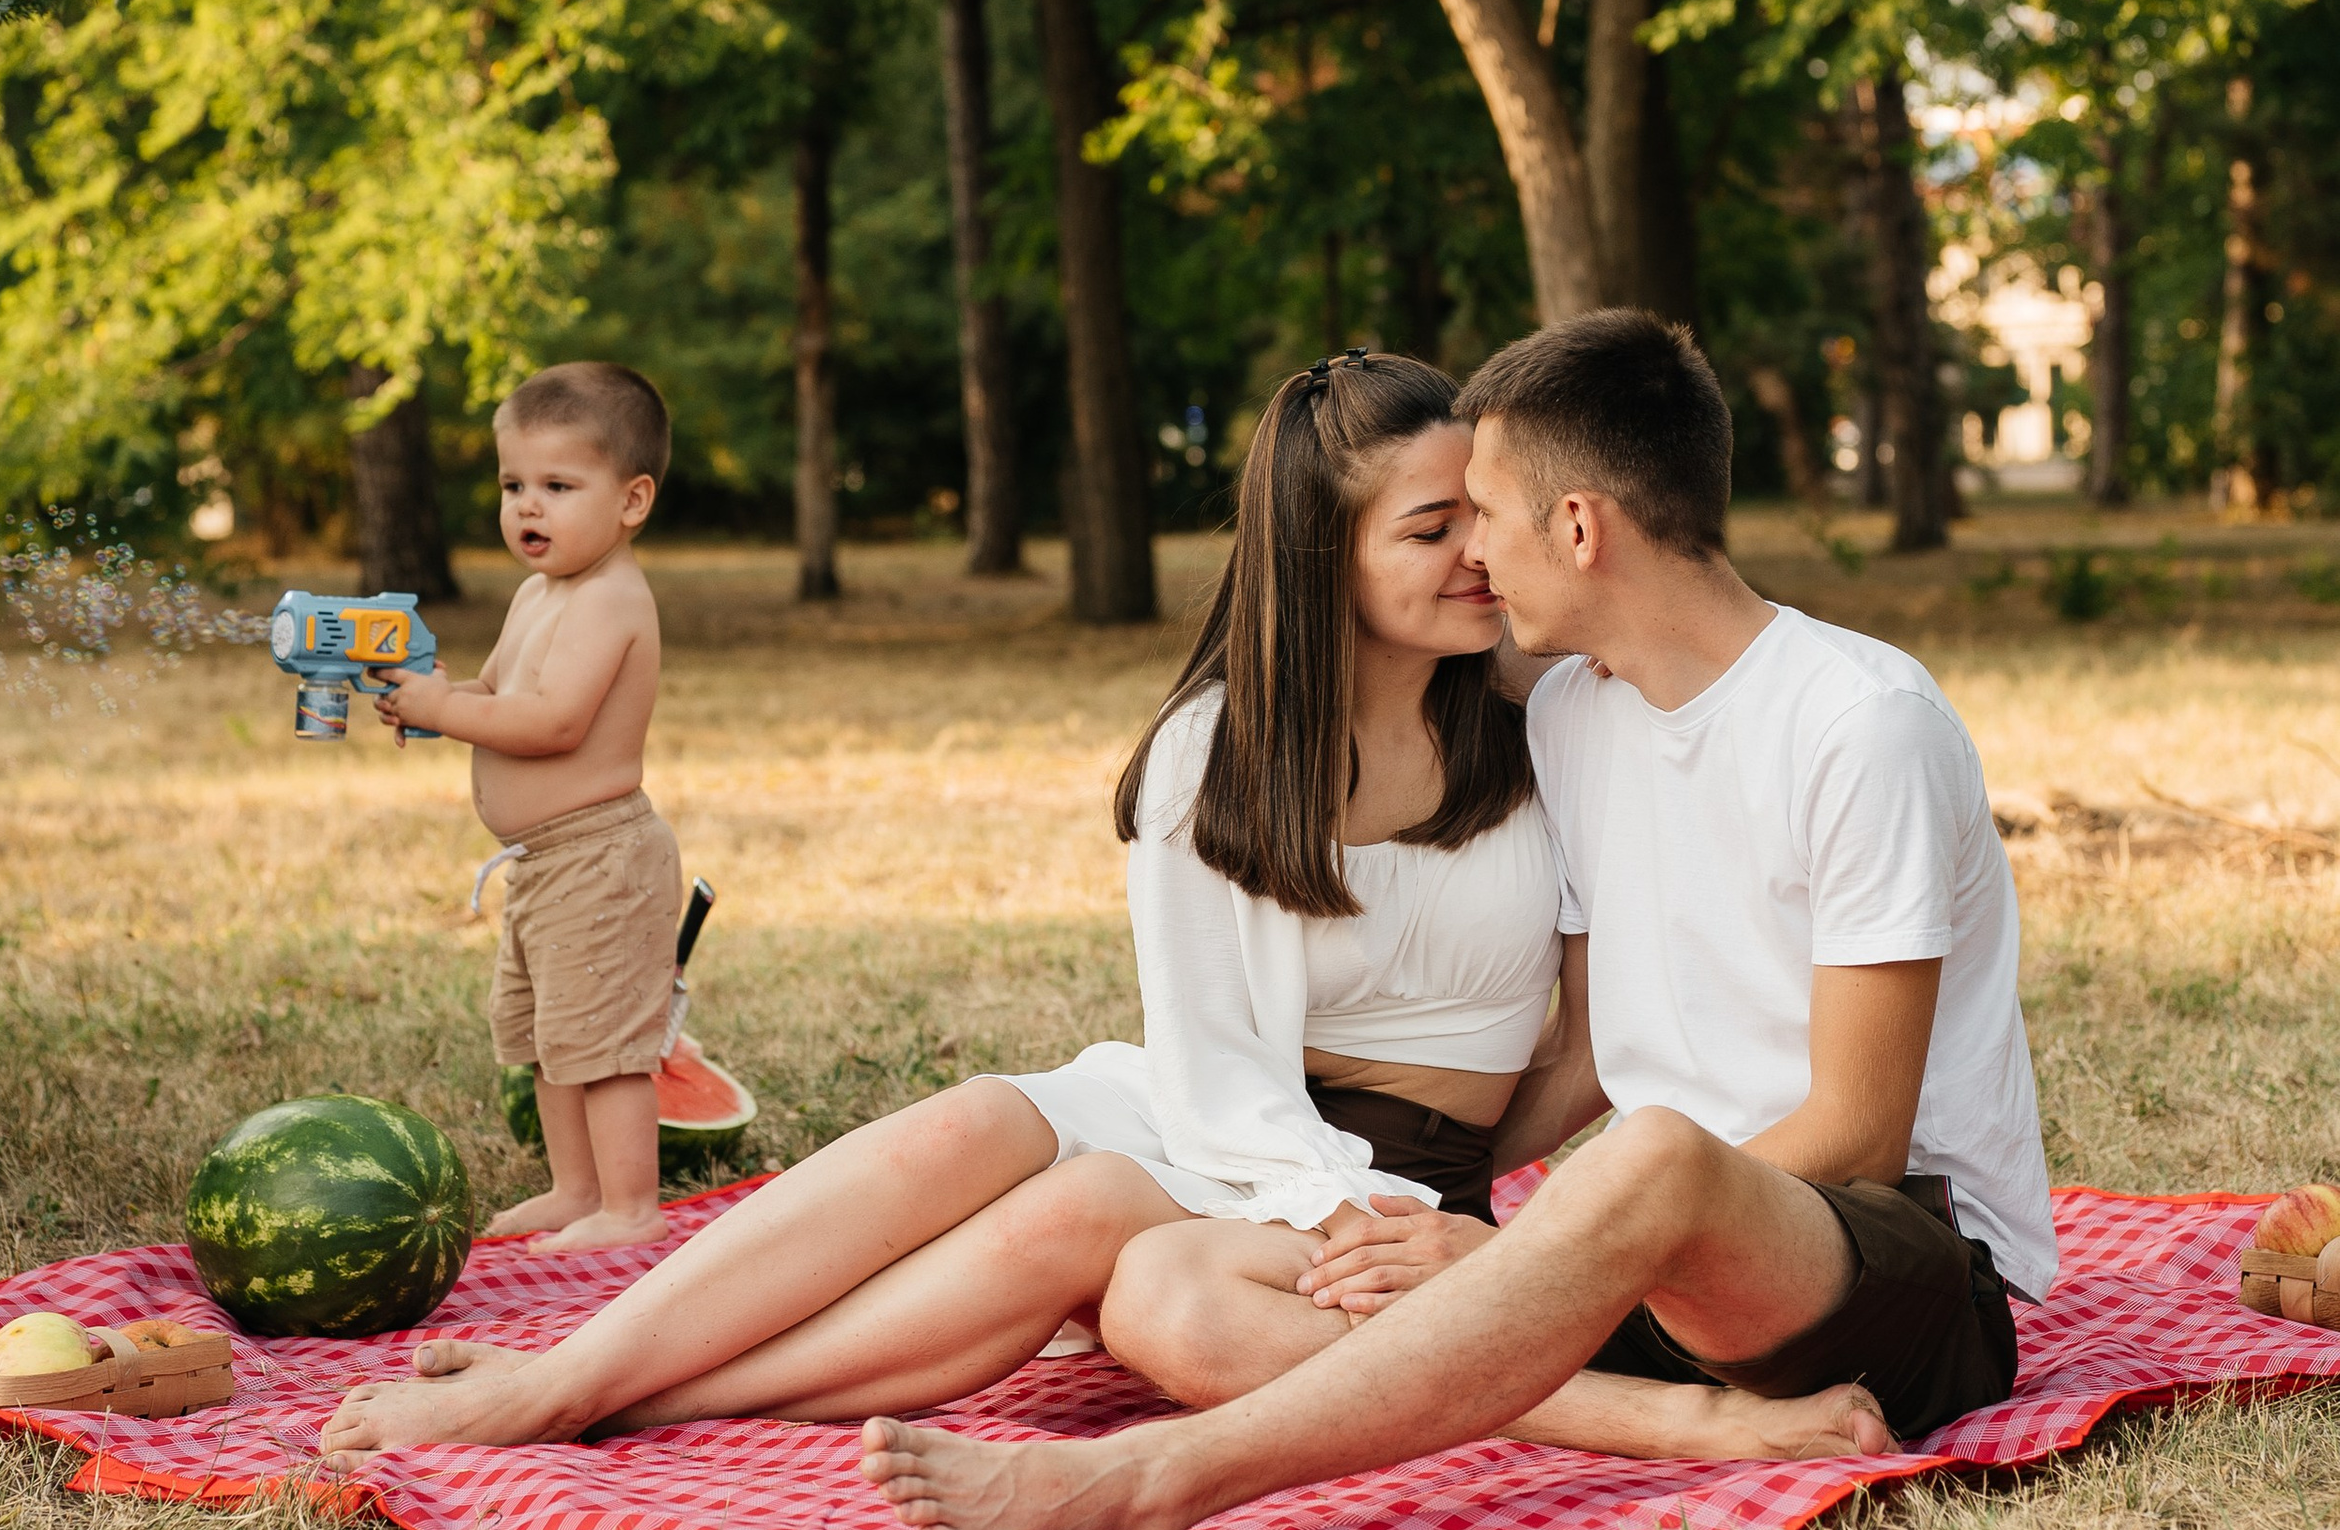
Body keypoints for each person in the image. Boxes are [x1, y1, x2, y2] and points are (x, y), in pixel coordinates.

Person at [318, 352, 1878, 1465]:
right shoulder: (1217, 756)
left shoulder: (1537, 711)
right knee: (969, 1129)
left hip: (1384, 1171)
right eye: (1431, 528)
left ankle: (592, 1400)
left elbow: (1600, 1023)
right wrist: (1322, 1199)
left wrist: (1442, 1214)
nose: (1481, 551)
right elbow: (1210, 1065)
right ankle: (577, 1379)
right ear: (1317, 555)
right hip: (1238, 1117)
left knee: (1090, 1230)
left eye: (1480, 515)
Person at [861, 310, 2056, 1530]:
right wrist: (1450, 1235)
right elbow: (1595, 1039)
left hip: (1880, 1254)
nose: (1472, 549)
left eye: (1481, 509)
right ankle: (1664, 1416)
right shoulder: (1578, 719)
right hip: (1646, 1270)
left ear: (1578, 527)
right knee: (1166, 1287)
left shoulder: (1859, 724)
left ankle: (1161, 1475)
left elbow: (1857, 1130)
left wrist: (1509, 1255)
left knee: (1655, 1155)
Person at [375, 360, 685, 1253]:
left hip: (600, 856)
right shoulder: (536, 593)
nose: (528, 508)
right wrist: (435, 697)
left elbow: (552, 723)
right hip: (545, 864)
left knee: (606, 1044)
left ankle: (630, 1208)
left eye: (558, 485)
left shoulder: (612, 597)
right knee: (553, 1036)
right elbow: (503, 690)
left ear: (631, 501)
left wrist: (447, 710)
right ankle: (574, 1187)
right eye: (514, 485)